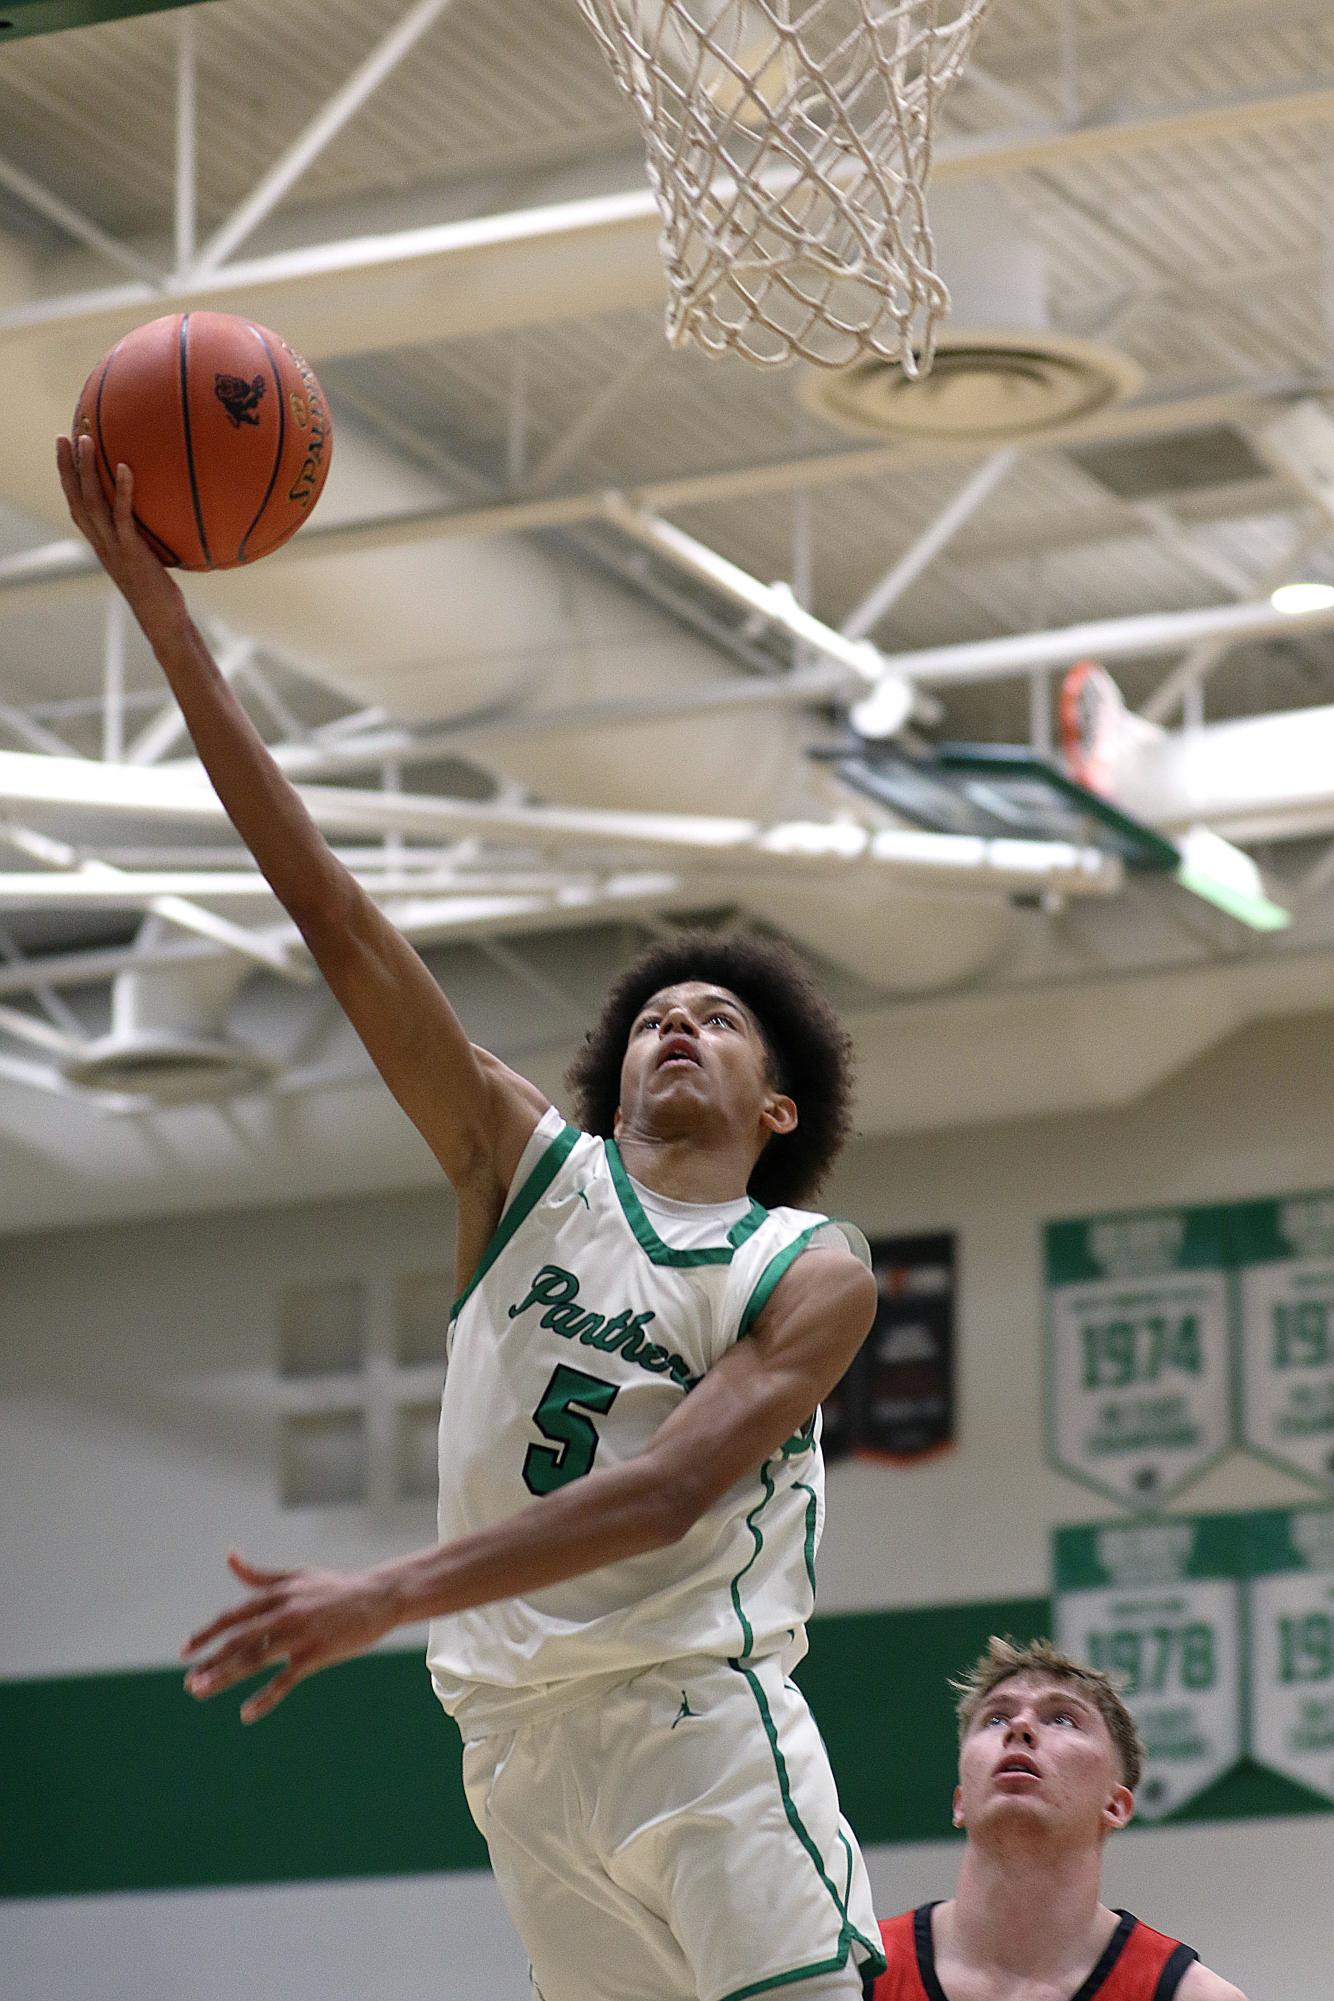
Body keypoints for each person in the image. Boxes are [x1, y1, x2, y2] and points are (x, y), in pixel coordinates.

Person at [57, 433, 887, 2001]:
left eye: (717, 1016)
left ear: (779, 1111)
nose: (677, 1023)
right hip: (509, 1750)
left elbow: (668, 1494)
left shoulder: (803, 1264)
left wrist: (374, 1591)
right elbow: (338, 920)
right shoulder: (524, 1173)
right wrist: (167, 623)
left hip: (694, 1730)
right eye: (654, 1012)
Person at [871, 1636, 1248, 2001]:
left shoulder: (1193, 1996)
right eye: (995, 1719)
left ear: (1115, 1805)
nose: (1020, 1728)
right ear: (960, 1802)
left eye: (1063, 1719)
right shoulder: (858, 1976)